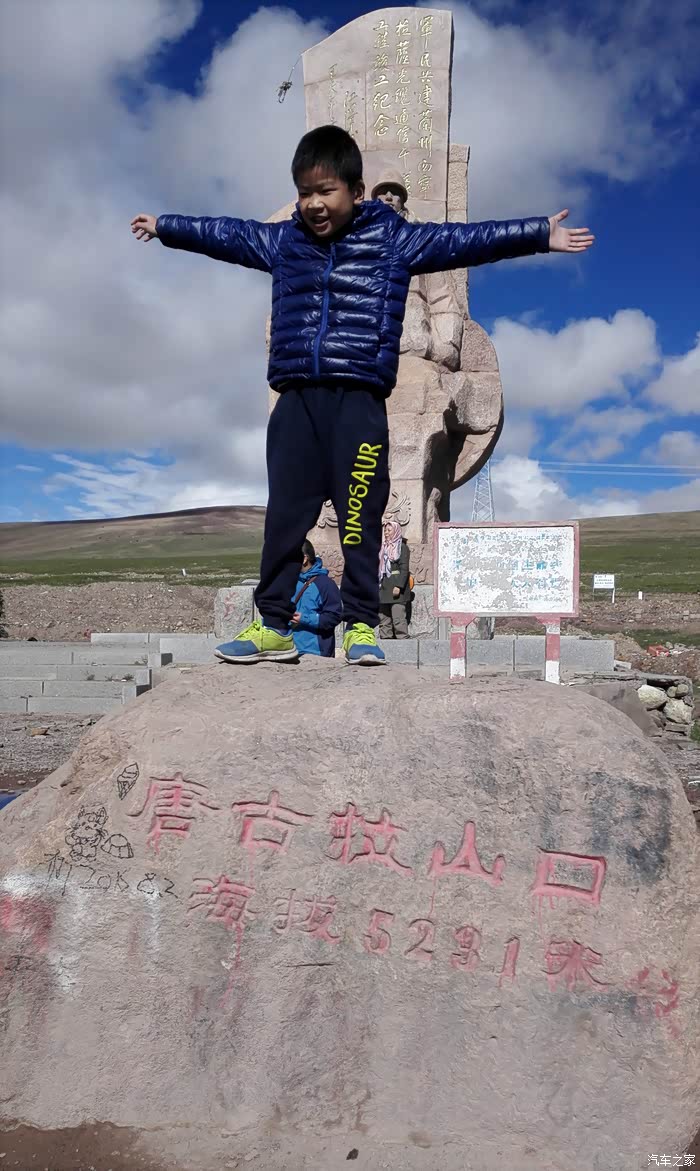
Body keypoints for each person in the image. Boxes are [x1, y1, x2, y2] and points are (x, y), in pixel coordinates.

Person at [131, 126, 594, 667]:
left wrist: (537, 233)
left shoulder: (392, 239)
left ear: (355, 190)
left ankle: (359, 627)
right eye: (304, 192)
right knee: (285, 517)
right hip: (297, 399)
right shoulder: (285, 242)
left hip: (359, 400)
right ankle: (273, 626)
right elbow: (227, 234)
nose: (313, 204)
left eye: (325, 191)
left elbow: (467, 240)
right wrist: (166, 227)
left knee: (359, 515)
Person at [290, 540, 342, 657]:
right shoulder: (288, 582)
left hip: (316, 653)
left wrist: (304, 619)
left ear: (304, 559)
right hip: (288, 650)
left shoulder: (326, 585)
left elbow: (334, 617)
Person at [378, 520, 410, 640]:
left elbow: (404, 569)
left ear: (396, 531)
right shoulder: (382, 548)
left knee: (398, 617)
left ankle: (403, 641)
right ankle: (385, 640)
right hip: (383, 586)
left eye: (389, 530)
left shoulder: (402, 547)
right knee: (383, 618)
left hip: (396, 587)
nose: (386, 533)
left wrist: (399, 586)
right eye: (385, 530)